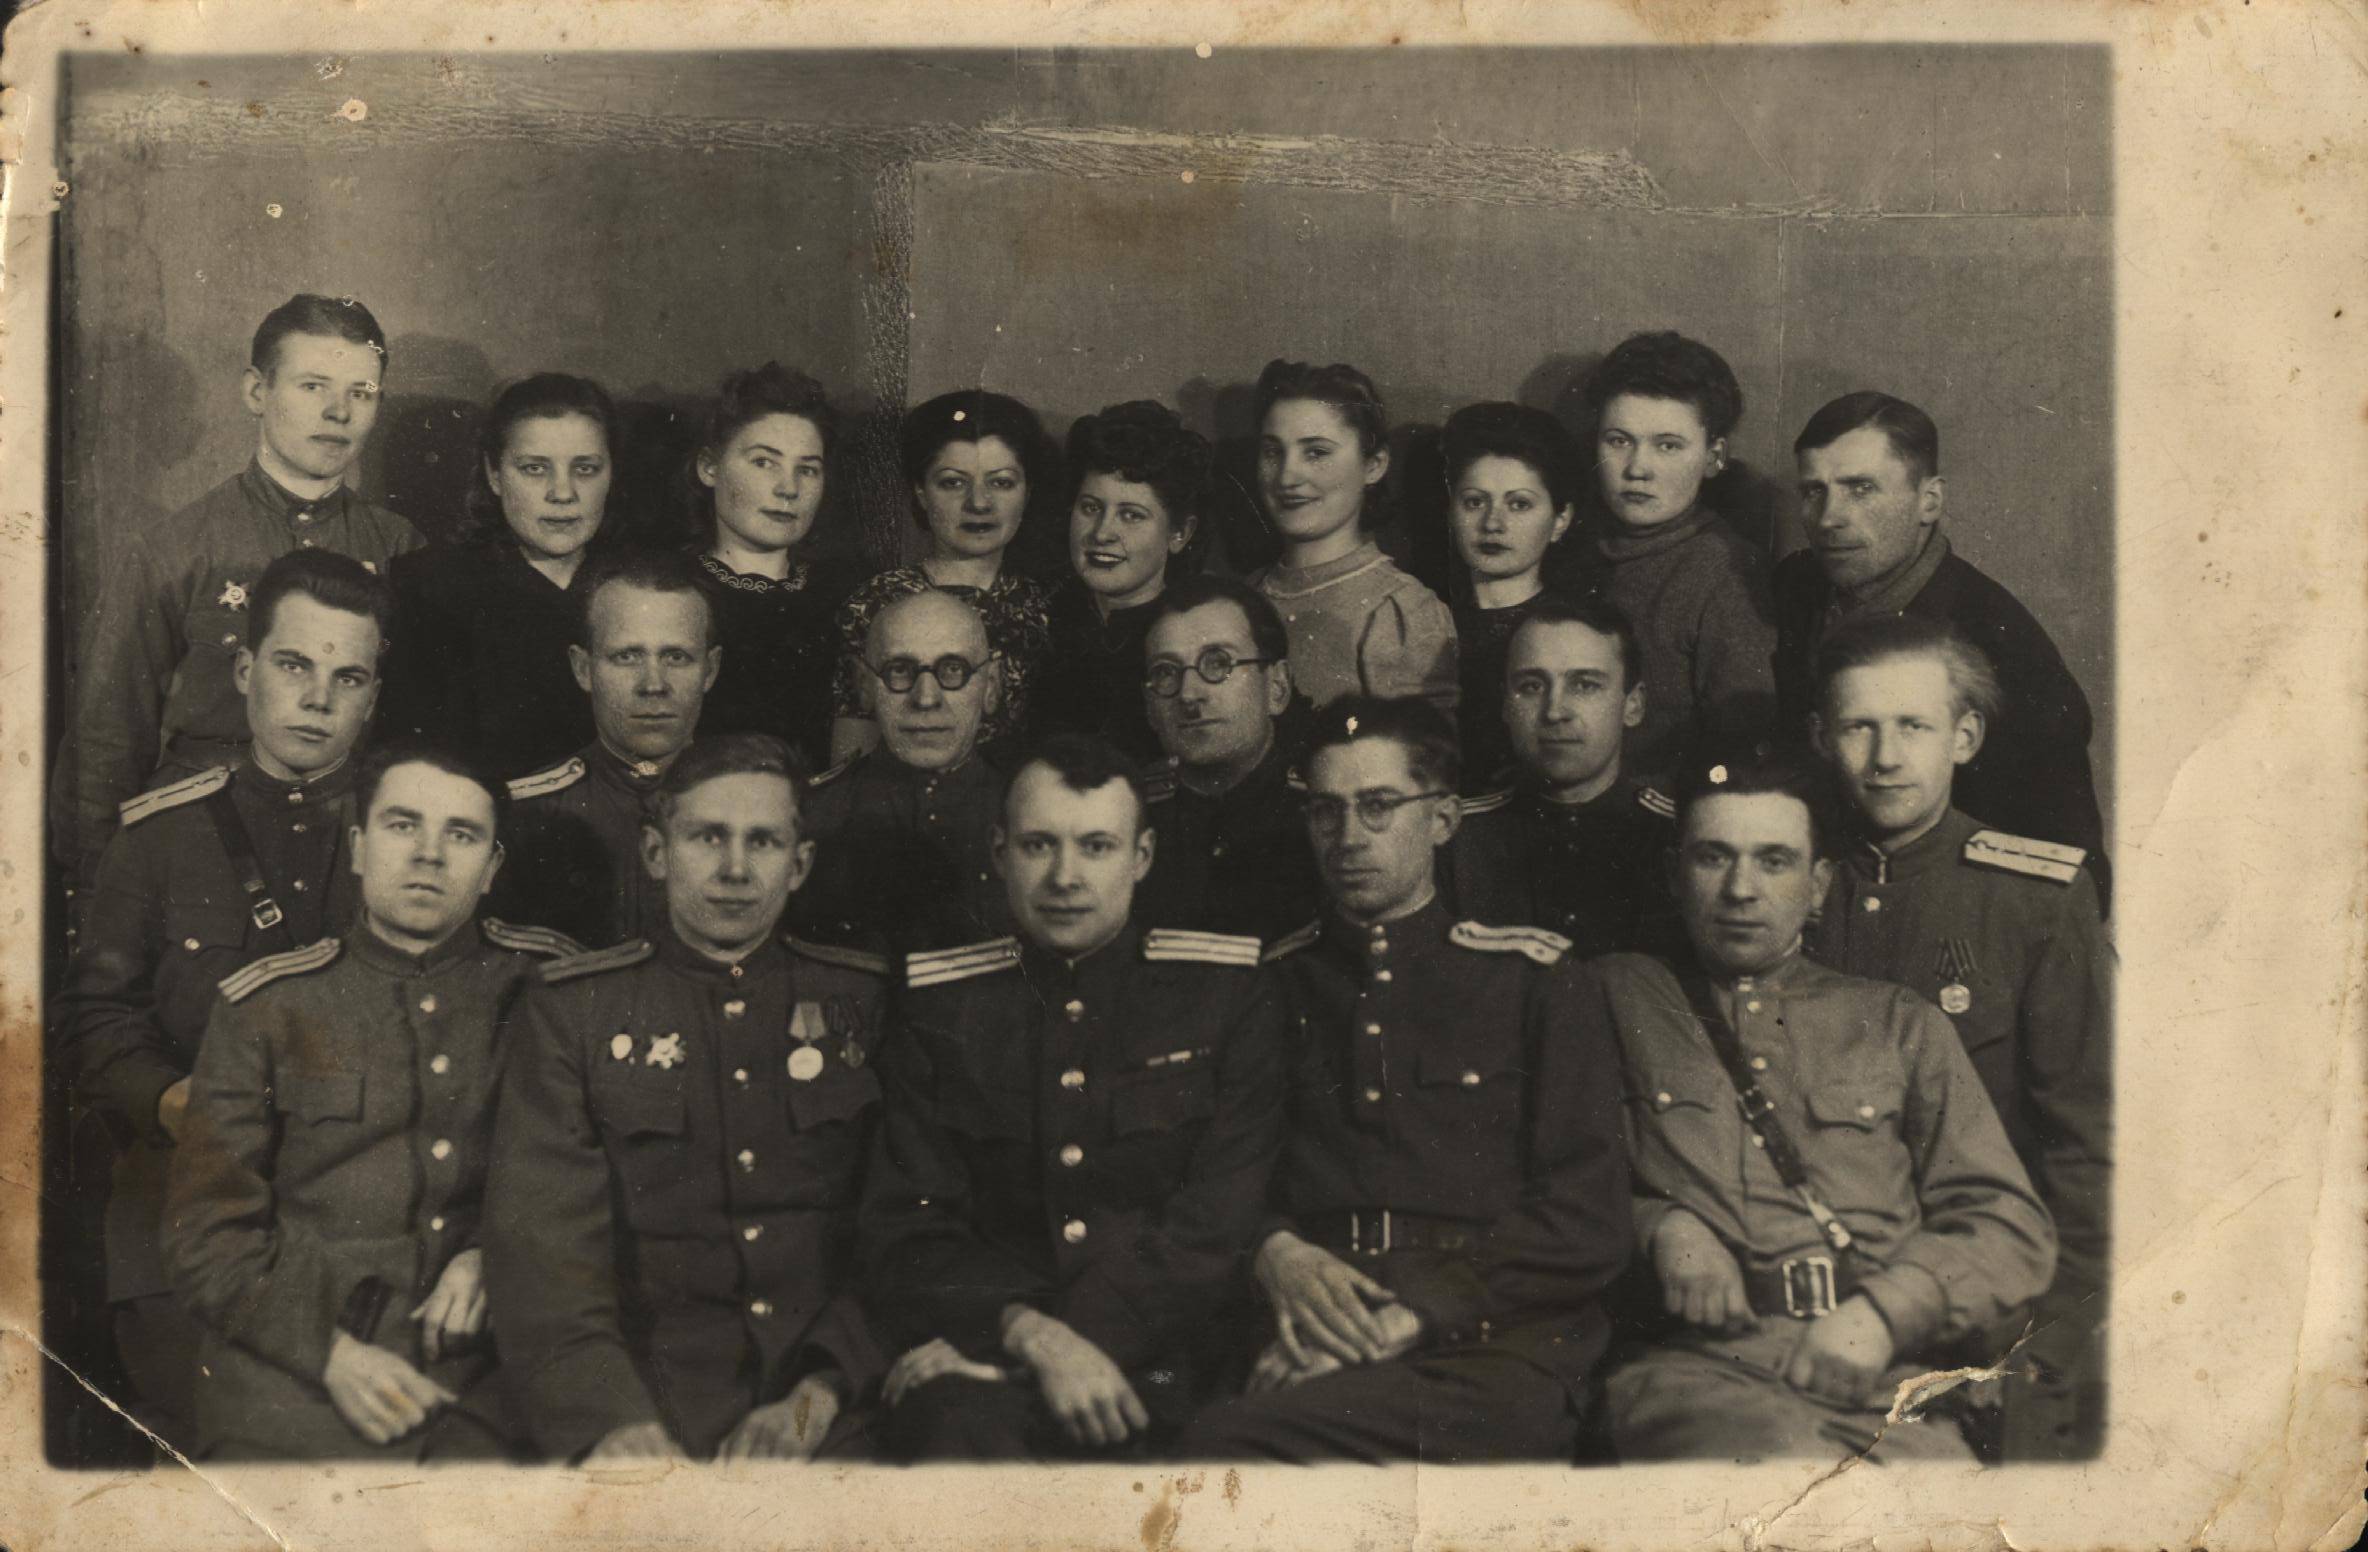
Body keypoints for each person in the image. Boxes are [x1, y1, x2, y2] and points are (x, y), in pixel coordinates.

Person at [1175, 697, 1630, 1462]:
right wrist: (1271, 1250)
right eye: (1327, 811)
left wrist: (1416, 1312)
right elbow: (1219, 1179)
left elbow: (1586, 1219)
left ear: (1443, 819)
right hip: (1315, 1320)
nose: (1349, 837)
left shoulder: (1536, 981)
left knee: (1230, 1449)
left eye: (1379, 806)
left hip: (1494, 1339)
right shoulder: (1270, 988)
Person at [1596, 746, 2057, 1462]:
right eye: (1713, 858)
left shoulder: (1898, 1022)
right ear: (1673, 875)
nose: (1741, 889)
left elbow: (2009, 1225)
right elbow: (1539, 1184)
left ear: (1817, 886)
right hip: (1703, 1377)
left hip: (1888, 1377)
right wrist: (1661, 1226)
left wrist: (1884, 1314)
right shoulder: (1610, 999)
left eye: (1774, 861)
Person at [861, 735, 1287, 1459]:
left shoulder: (1224, 997)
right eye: (1039, 846)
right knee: (950, 1436)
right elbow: (909, 1231)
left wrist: (1075, 1342)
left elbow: (1217, 1223)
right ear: (999, 853)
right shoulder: (941, 1007)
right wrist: (1030, 1337)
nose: (1065, 877)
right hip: (993, 1357)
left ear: (1141, 857)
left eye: (1096, 847)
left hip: (1179, 1359)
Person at [56, 549, 395, 1445]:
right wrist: (171, 1100)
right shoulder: (159, 836)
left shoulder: (413, 834)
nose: (316, 699)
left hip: (366, 1230)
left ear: (373, 696)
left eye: (347, 678)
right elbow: (93, 1018)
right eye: (293, 666)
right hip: (192, 1217)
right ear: (245, 671)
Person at [485, 735, 890, 1464]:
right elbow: (543, 1255)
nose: (735, 869)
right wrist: (612, 1421)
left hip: (829, 1408)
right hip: (644, 1402)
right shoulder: (574, 1012)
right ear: (655, 852)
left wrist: (818, 1397)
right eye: (708, 837)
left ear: (799, 865)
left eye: (763, 841)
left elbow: (895, 1241)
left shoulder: (863, 1003)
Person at [163, 742, 570, 1459]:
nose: (429, 856)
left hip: (489, 1375)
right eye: (403, 825)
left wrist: (496, 1255)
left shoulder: (553, 992)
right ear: (357, 847)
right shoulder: (269, 1006)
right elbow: (206, 1236)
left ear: (491, 869)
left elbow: (600, 1184)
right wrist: (328, 1354)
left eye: (461, 835)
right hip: (296, 1380)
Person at [1805, 613, 2112, 1457]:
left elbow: (2089, 1153)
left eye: (1914, 726)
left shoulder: (2035, 900)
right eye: (1860, 727)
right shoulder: (1784, 881)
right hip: (1816, 1310)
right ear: (1822, 738)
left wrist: (2038, 1356)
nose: (1886, 756)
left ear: (1965, 737)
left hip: (1983, 1320)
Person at [53, 294, 422, 898]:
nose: (338, 412)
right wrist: (103, 890)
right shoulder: (175, 550)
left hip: (347, 855)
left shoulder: (401, 549)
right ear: (256, 391)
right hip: (200, 851)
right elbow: (106, 739)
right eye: (312, 386)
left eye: (361, 393)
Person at [1776, 390, 2108, 904]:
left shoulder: (2001, 650)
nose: (1828, 518)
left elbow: (2070, 876)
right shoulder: (1795, 589)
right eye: (1813, 492)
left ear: (1929, 501)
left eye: (1861, 489)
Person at [380, 372, 620, 780]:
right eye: (534, 469)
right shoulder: (429, 590)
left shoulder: (643, 585)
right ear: (494, 475)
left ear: (611, 472)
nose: (563, 493)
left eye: (585, 468)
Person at [488, 549, 719, 949]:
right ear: (583, 669)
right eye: (627, 657)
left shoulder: (759, 810)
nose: (653, 685)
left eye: (676, 657)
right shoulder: (522, 817)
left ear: (710, 670)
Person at [1575, 331, 1778, 782]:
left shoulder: (1724, 572)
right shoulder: (1571, 546)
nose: (1637, 469)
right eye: (1618, 441)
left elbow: (1741, 750)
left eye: (1667, 445)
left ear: (1714, 457)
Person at [1444, 593, 1678, 959]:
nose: (1554, 712)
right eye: (1531, 686)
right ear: (1506, 704)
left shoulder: (1678, 835)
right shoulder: (1455, 841)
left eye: (1584, 685)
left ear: (1633, 704)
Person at [829, 390, 1058, 759]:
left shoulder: (1049, 606)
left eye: (1001, 482)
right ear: (921, 493)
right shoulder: (875, 602)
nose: (979, 503)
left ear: (1027, 493)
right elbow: (850, 759)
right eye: (953, 482)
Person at [793, 589, 1012, 962]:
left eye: (953, 670)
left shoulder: (1026, 816)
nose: (925, 699)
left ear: (990, 685)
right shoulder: (812, 817)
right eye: (899, 670)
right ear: (864, 685)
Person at [1247, 360, 1458, 717]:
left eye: (1316, 452)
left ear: (1374, 465)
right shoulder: (1244, 593)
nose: (1287, 477)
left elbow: (1423, 750)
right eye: (1273, 452)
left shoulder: (1401, 610)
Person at [687, 362, 863, 771]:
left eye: (808, 469)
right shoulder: (669, 589)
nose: (789, 489)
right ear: (710, 467)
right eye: (764, 462)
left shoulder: (850, 594)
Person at [1130, 575, 1321, 944]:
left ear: (1277, 687)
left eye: (1218, 664)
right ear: (1150, 707)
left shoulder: (1324, 807)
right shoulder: (1127, 813)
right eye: (1165, 672)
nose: (1189, 694)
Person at [1034, 400, 1210, 762]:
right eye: (1090, 508)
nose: (1102, 533)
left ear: (1179, 533)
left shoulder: (1198, 635)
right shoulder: (1039, 618)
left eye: (1131, 515)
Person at [1439, 401, 1579, 791]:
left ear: (1560, 520)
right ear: (1450, 511)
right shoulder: (1421, 615)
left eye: (1519, 504)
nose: (1493, 523)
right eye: (1474, 502)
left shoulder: (1575, 630)